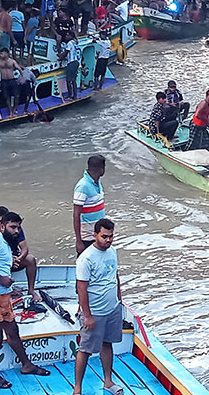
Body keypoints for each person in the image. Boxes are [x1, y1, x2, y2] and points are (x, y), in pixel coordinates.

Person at [0, 212, 50, 389]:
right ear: (2, 226)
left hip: (3, 294)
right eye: (12, 227)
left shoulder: (6, 242)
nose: (16, 231)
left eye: (18, 227)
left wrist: (8, 272)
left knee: (13, 331)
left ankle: (26, 365)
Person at [74, 218, 124, 395]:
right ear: (95, 235)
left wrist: (120, 299)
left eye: (111, 236)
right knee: (85, 350)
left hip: (112, 308)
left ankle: (108, 381)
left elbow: (115, 275)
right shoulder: (86, 259)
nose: (108, 240)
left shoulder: (113, 251)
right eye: (104, 236)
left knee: (107, 344)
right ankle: (77, 388)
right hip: (95, 311)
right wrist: (87, 315)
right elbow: (81, 288)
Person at [0, 206, 40, 301]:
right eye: (0, 221)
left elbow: (24, 248)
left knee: (30, 259)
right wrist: (8, 259)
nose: (16, 230)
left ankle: (31, 290)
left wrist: (18, 259)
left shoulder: (15, 229)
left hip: (14, 259)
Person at [73, 155, 106, 255]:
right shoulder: (83, 186)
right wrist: (79, 241)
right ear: (101, 169)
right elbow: (76, 215)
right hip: (87, 236)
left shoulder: (97, 182)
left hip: (98, 234)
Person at [0, 48, 24, 117]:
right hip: (4, 81)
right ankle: (10, 111)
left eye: (2, 54)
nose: (1, 55)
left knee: (16, 95)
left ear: (6, 53)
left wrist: (22, 77)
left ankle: (15, 109)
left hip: (12, 80)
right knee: (6, 97)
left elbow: (19, 69)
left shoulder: (12, 61)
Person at [60, 31, 79, 100]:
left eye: (67, 35)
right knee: (74, 80)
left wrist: (60, 58)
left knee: (68, 80)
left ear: (71, 36)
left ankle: (70, 96)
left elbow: (66, 52)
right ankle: (75, 95)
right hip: (76, 62)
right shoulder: (74, 42)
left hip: (71, 63)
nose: (66, 37)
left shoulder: (69, 43)